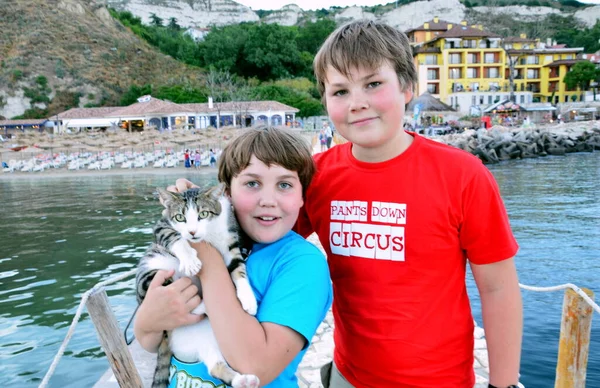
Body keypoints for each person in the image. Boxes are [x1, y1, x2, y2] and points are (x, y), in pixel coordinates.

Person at [295, 20, 521, 387]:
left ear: (407, 88)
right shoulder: (315, 177)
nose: (357, 103)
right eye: (339, 91)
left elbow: (497, 288)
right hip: (348, 375)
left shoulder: (463, 175)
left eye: (373, 84)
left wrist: (504, 383)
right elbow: (259, 240)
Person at [134, 126, 332, 388]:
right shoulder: (207, 233)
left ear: (301, 198)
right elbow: (150, 340)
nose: (268, 200)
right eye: (252, 183)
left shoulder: (302, 265)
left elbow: (253, 366)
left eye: (284, 185)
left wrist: (201, 244)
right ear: (226, 193)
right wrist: (146, 323)